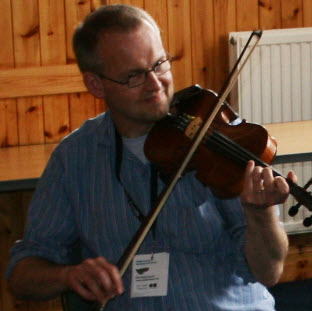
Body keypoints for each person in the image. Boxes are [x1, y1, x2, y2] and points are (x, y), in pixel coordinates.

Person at [6, 4, 296, 311]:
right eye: (134, 76)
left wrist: (261, 216)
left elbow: (268, 272)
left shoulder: (214, 142)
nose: (156, 85)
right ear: (95, 84)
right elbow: (22, 275)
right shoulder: (75, 157)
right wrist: (68, 275)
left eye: (159, 64)